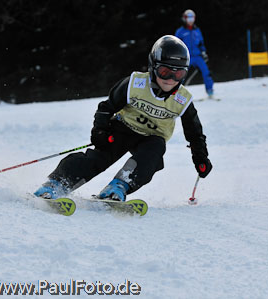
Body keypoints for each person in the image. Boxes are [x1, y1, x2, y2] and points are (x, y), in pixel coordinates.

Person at [34, 35, 212, 202]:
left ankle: (118, 186)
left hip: (151, 138)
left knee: (152, 156)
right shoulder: (135, 83)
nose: (171, 79)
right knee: (98, 158)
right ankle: (57, 184)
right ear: (153, 66)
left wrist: (200, 156)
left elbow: (194, 132)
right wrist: (100, 130)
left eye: (178, 74)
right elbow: (106, 107)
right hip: (122, 129)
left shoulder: (183, 99)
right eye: (165, 72)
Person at [175, 9, 214, 99]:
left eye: (192, 18)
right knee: (180, 75)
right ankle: (175, 93)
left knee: (206, 72)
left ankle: (210, 91)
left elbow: (201, 43)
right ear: (184, 19)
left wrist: (203, 52)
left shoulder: (197, 30)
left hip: (197, 56)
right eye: (188, 18)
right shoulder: (180, 31)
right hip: (185, 57)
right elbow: (176, 44)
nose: (190, 20)